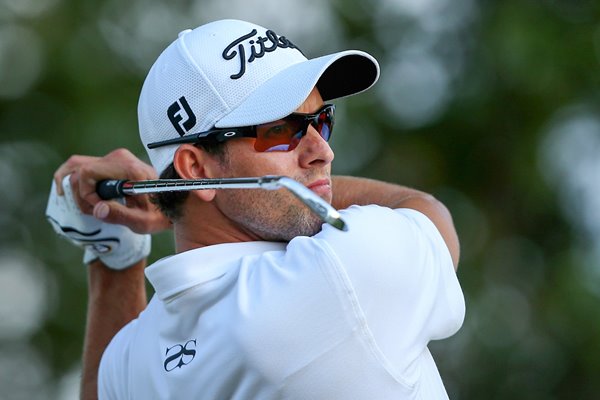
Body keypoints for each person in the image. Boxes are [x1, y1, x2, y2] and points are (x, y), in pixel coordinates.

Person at [47, 19, 465, 399]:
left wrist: (114, 258)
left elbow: (102, 387)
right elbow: (423, 209)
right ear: (196, 168)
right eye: (281, 131)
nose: (322, 150)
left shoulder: (132, 357)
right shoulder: (343, 272)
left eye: (321, 120)